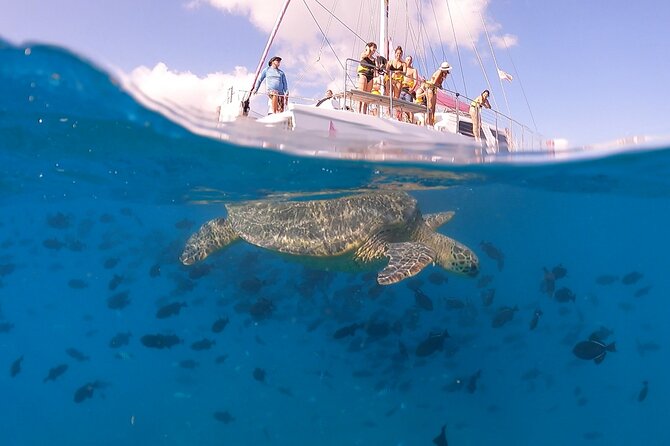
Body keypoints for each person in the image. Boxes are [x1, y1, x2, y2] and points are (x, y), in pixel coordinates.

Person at [424, 61, 452, 126]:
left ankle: (431, 122)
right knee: (430, 106)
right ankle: (428, 122)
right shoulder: (439, 72)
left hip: (434, 89)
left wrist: (440, 86)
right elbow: (434, 82)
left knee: (433, 107)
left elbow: (438, 83)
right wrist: (439, 86)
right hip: (430, 88)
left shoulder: (443, 74)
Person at [356, 42, 377, 114]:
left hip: (370, 76)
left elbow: (375, 69)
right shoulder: (363, 54)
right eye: (373, 47)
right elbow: (367, 54)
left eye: (375, 48)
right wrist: (368, 48)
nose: (374, 49)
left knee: (367, 97)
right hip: (363, 74)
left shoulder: (374, 59)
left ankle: (364, 112)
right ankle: (358, 111)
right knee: (361, 93)